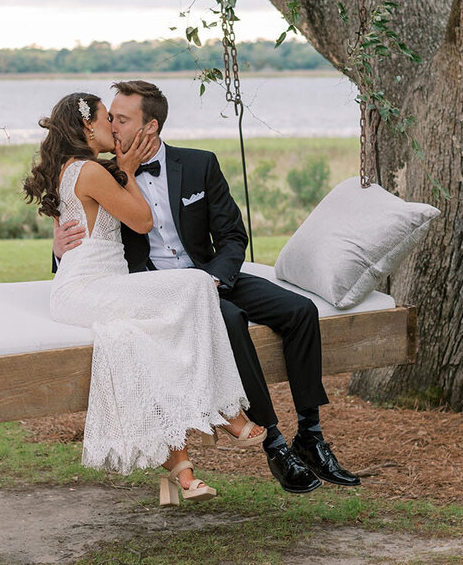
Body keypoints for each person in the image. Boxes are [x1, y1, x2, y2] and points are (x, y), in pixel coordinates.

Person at [53, 80, 360, 493]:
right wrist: (57, 248)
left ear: (151, 127)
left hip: (211, 275)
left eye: (122, 119)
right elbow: (85, 243)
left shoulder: (199, 164)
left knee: (301, 311)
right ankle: (275, 443)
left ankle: (311, 433)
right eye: (111, 119)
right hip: (160, 290)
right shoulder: (107, 174)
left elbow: (233, 235)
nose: (116, 127)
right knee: (230, 321)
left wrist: (217, 276)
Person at [23, 92, 264, 507]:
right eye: (105, 119)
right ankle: (225, 410)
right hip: (88, 289)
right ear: (86, 127)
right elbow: (143, 219)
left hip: (91, 287)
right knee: (195, 285)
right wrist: (129, 172)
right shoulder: (91, 171)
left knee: (141, 340)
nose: (112, 127)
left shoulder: (74, 168)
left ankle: (180, 469)